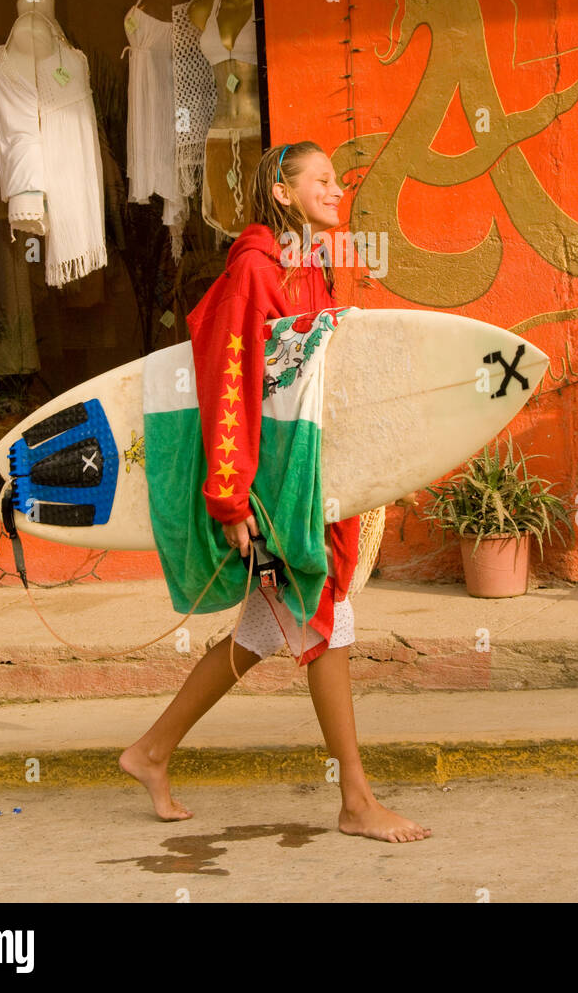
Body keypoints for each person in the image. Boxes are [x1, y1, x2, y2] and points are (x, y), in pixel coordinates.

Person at [120, 140, 432, 843]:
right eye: (322, 180)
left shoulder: (306, 269)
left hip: (301, 484)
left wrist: (370, 469)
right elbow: (228, 383)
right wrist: (230, 499)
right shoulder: (255, 273)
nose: (337, 190)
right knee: (325, 618)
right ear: (283, 193)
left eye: (339, 181)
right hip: (266, 491)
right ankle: (355, 799)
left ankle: (150, 752)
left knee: (266, 631)